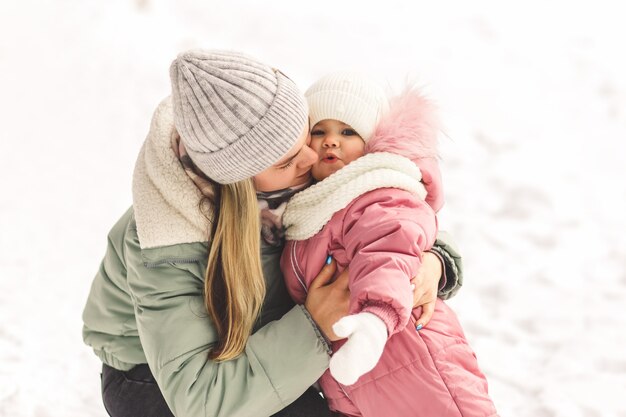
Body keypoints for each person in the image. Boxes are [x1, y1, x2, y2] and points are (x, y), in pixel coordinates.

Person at [81, 50, 464, 417]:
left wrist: (434, 260)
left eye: (305, 138)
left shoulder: (288, 175)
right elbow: (198, 400)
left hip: (258, 340)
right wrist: (312, 325)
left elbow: (377, 213)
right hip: (156, 378)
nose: (312, 159)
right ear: (238, 183)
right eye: (287, 161)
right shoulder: (167, 244)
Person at [281, 72, 498, 416]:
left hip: (414, 356)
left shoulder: (377, 194)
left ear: (370, 143)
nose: (331, 141)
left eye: (347, 132)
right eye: (319, 131)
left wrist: (375, 319)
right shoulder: (309, 209)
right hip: (359, 383)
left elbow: (389, 251)